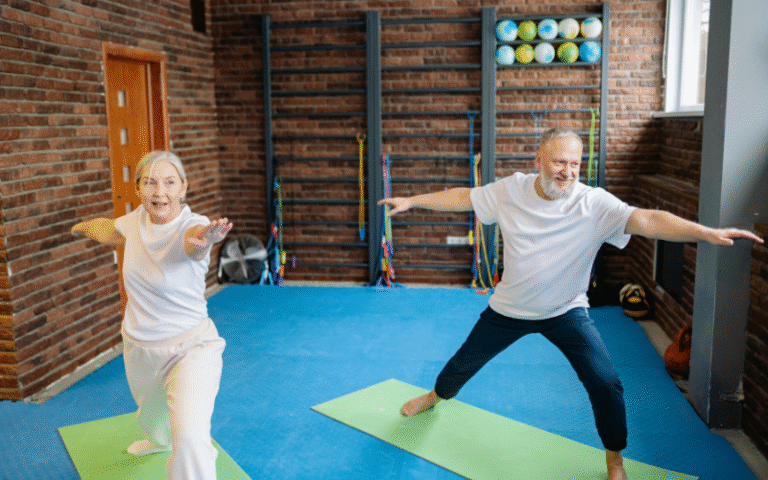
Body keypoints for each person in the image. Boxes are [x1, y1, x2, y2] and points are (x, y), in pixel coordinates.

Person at [378, 127, 763, 480]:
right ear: (538, 161)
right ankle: (435, 396)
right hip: (509, 309)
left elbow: (647, 219)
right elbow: (465, 196)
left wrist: (704, 233)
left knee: (605, 381)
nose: (568, 171)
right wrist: (412, 200)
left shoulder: (593, 204)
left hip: (566, 312)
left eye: (575, 164)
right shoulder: (511, 190)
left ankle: (615, 459)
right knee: (464, 362)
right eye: (559, 162)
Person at [71, 150, 233, 480]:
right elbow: (109, 229)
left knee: (190, 439)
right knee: (153, 420)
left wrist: (205, 241)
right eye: (150, 182)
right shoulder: (135, 222)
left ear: (183, 187)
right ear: (138, 188)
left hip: (191, 347)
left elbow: (193, 245)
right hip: (140, 347)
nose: (160, 192)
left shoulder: (193, 226)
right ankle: (159, 440)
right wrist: (81, 226)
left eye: (169, 182)